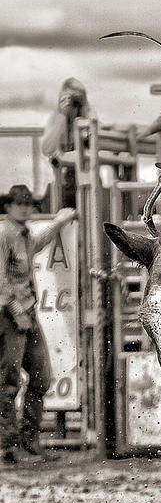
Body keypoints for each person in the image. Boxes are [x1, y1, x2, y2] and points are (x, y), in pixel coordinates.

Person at [0, 186, 78, 465]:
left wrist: (58, 221)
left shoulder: (22, 235)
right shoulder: (3, 234)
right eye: (19, 204)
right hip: (10, 317)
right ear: (9, 206)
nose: (24, 208)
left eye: (28, 204)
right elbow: (0, 281)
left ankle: (28, 442)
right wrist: (17, 310)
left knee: (41, 377)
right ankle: (10, 447)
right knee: (8, 382)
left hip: (25, 315)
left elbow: (39, 240)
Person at [41, 78, 95, 209]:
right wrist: (63, 115)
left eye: (78, 101)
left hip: (87, 184)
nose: (74, 105)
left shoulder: (89, 120)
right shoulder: (55, 120)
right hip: (61, 184)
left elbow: (97, 140)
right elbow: (47, 149)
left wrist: (86, 112)